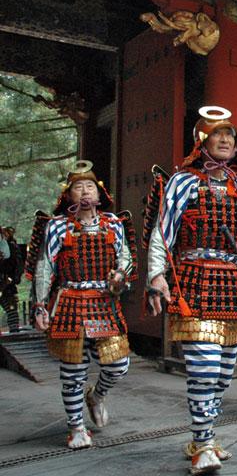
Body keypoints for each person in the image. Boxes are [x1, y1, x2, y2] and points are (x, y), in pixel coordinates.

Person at [146, 106, 237, 475]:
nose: (225, 140)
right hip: (194, 279)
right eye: (217, 134)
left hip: (232, 285)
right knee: (203, 368)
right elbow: (163, 231)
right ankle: (202, 443)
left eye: (230, 135)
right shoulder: (183, 182)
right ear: (201, 141)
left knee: (222, 373)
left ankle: (205, 434)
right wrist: (157, 275)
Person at [29, 160, 135, 449]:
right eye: (78, 187)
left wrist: (121, 273)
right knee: (73, 372)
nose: (85, 191)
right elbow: (45, 267)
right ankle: (76, 426)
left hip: (103, 301)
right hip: (70, 302)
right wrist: (40, 305)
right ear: (68, 195)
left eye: (90, 186)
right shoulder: (57, 227)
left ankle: (97, 396)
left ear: (99, 194)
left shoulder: (114, 224)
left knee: (118, 366)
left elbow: (124, 257)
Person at [0, 227, 23, 333]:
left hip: (7, 284)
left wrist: (12, 279)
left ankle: (14, 331)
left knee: (11, 309)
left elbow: (18, 265)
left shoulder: (12, 247)